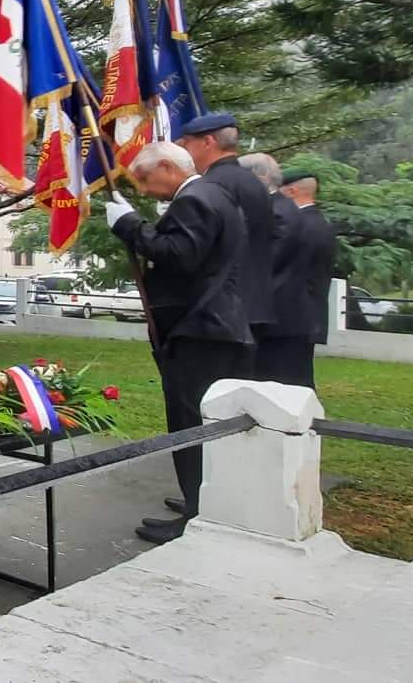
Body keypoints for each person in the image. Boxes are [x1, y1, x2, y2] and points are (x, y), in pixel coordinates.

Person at [107, 141, 251, 544]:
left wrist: (130, 225)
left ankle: (197, 514)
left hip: (198, 330)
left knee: (190, 424)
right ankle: (201, 498)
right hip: (215, 328)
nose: (146, 190)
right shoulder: (214, 196)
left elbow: (178, 256)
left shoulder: (194, 200)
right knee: (207, 422)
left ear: (168, 167)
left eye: (147, 180)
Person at [179, 113, 272, 373]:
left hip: (220, 312)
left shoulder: (210, 186)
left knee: (213, 400)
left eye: (187, 144)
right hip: (252, 304)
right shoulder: (254, 182)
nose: (184, 152)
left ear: (208, 142)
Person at [240, 153, 314, 387]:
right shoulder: (273, 208)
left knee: (280, 392)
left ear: (258, 178)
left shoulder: (278, 212)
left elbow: (264, 263)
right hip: (276, 319)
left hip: (278, 321)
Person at [279, 170, 336, 387]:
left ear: (292, 191)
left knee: (292, 381)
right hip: (304, 316)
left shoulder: (302, 226)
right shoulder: (316, 223)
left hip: (294, 316)